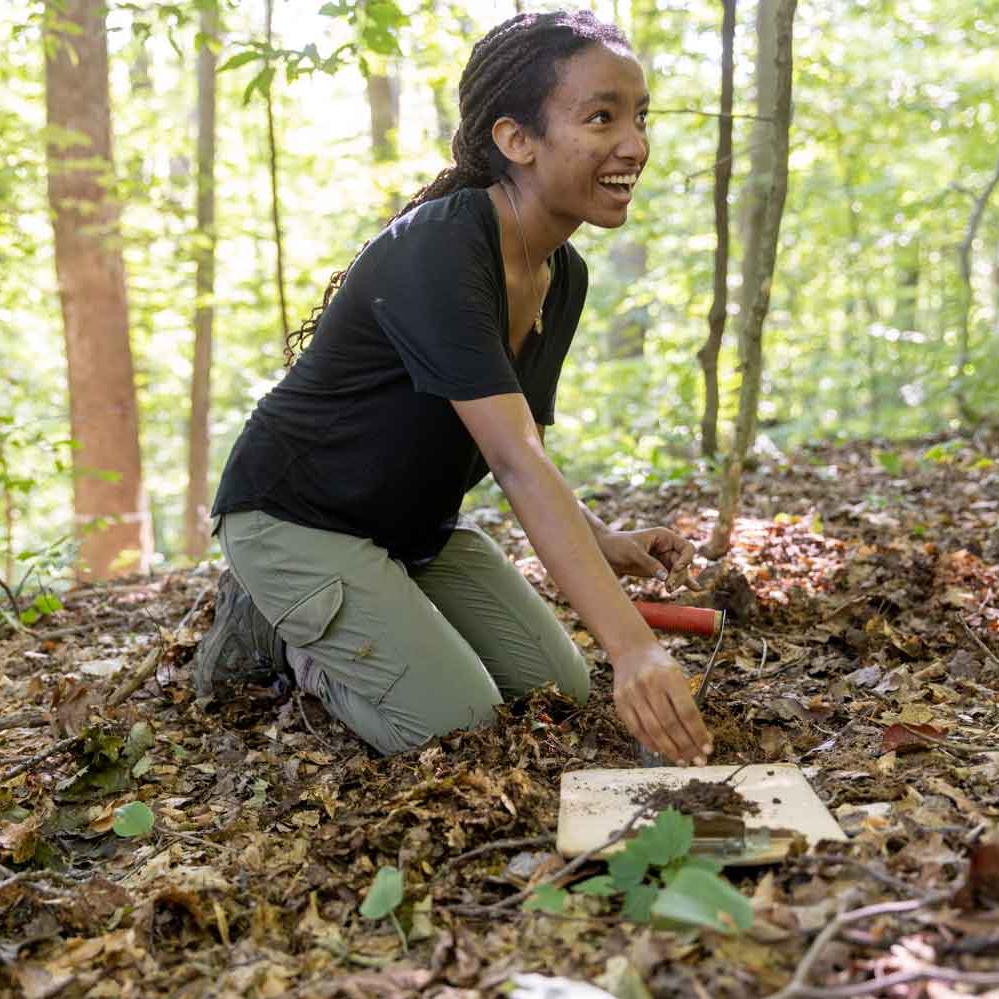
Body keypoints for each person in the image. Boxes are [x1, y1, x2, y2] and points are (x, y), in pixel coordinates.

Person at [193, 10, 713, 766]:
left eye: (639, 117)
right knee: (458, 726)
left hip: (410, 529)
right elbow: (513, 464)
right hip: (294, 519)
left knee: (556, 687)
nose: (634, 144)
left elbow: (520, 446)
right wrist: (633, 650)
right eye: (601, 117)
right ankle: (288, 639)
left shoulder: (561, 274)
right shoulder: (441, 248)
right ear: (516, 140)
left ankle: (359, 612)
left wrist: (606, 542)